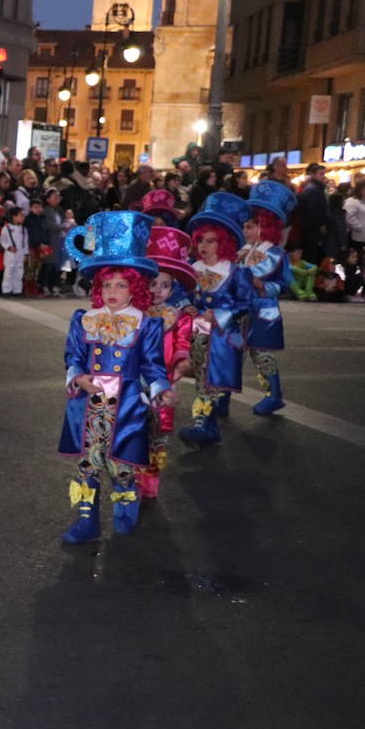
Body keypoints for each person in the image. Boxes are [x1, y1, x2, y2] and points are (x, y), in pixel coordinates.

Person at [57, 211, 173, 543]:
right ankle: (86, 522)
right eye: (106, 284)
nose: (112, 290)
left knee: (121, 466)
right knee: (88, 465)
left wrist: (161, 389)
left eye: (121, 285)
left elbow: (152, 364)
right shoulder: (84, 319)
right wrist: (78, 378)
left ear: (135, 288)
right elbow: (74, 357)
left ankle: (124, 511)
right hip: (90, 404)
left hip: (126, 404)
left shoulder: (146, 323)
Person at [178, 193, 255, 449]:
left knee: (210, 379)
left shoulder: (236, 272)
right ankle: (209, 428)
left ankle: (202, 424)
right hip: (197, 332)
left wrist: (220, 314)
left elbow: (246, 304)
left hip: (223, 336)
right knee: (201, 378)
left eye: (211, 241)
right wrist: (186, 305)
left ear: (223, 242)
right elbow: (180, 294)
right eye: (200, 239)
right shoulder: (192, 268)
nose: (203, 245)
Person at [135, 227, 196, 499]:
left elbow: (183, 342)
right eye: (152, 283)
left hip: (164, 375)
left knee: (156, 430)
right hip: (134, 377)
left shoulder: (178, 315)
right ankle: (130, 471)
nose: (158, 290)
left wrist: (182, 360)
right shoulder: (134, 311)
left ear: (175, 287)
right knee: (134, 425)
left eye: (166, 285)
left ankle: (150, 480)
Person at [238, 181, 297, 416]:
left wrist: (263, 286)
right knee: (231, 353)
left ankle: (274, 394)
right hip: (240, 308)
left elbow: (283, 284)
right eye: (245, 226)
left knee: (261, 353)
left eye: (251, 226)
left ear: (268, 227)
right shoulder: (244, 250)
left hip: (262, 309)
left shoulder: (275, 253)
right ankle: (219, 397)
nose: (246, 231)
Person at [296, 163, 331, 263]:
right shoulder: (312, 189)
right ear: (313, 175)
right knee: (311, 254)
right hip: (312, 228)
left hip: (313, 227)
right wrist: (321, 225)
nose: (323, 176)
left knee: (314, 253)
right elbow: (312, 210)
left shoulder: (317, 188)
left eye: (324, 174)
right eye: (321, 174)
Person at [0, 206, 28, 296]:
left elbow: (25, 242)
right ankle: (7, 290)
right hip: (10, 253)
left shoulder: (24, 229)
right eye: (21, 215)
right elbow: (2, 239)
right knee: (9, 271)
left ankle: (17, 290)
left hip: (20, 253)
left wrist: (26, 254)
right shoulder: (7, 228)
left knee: (19, 272)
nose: (23, 217)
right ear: (13, 217)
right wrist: (8, 247)